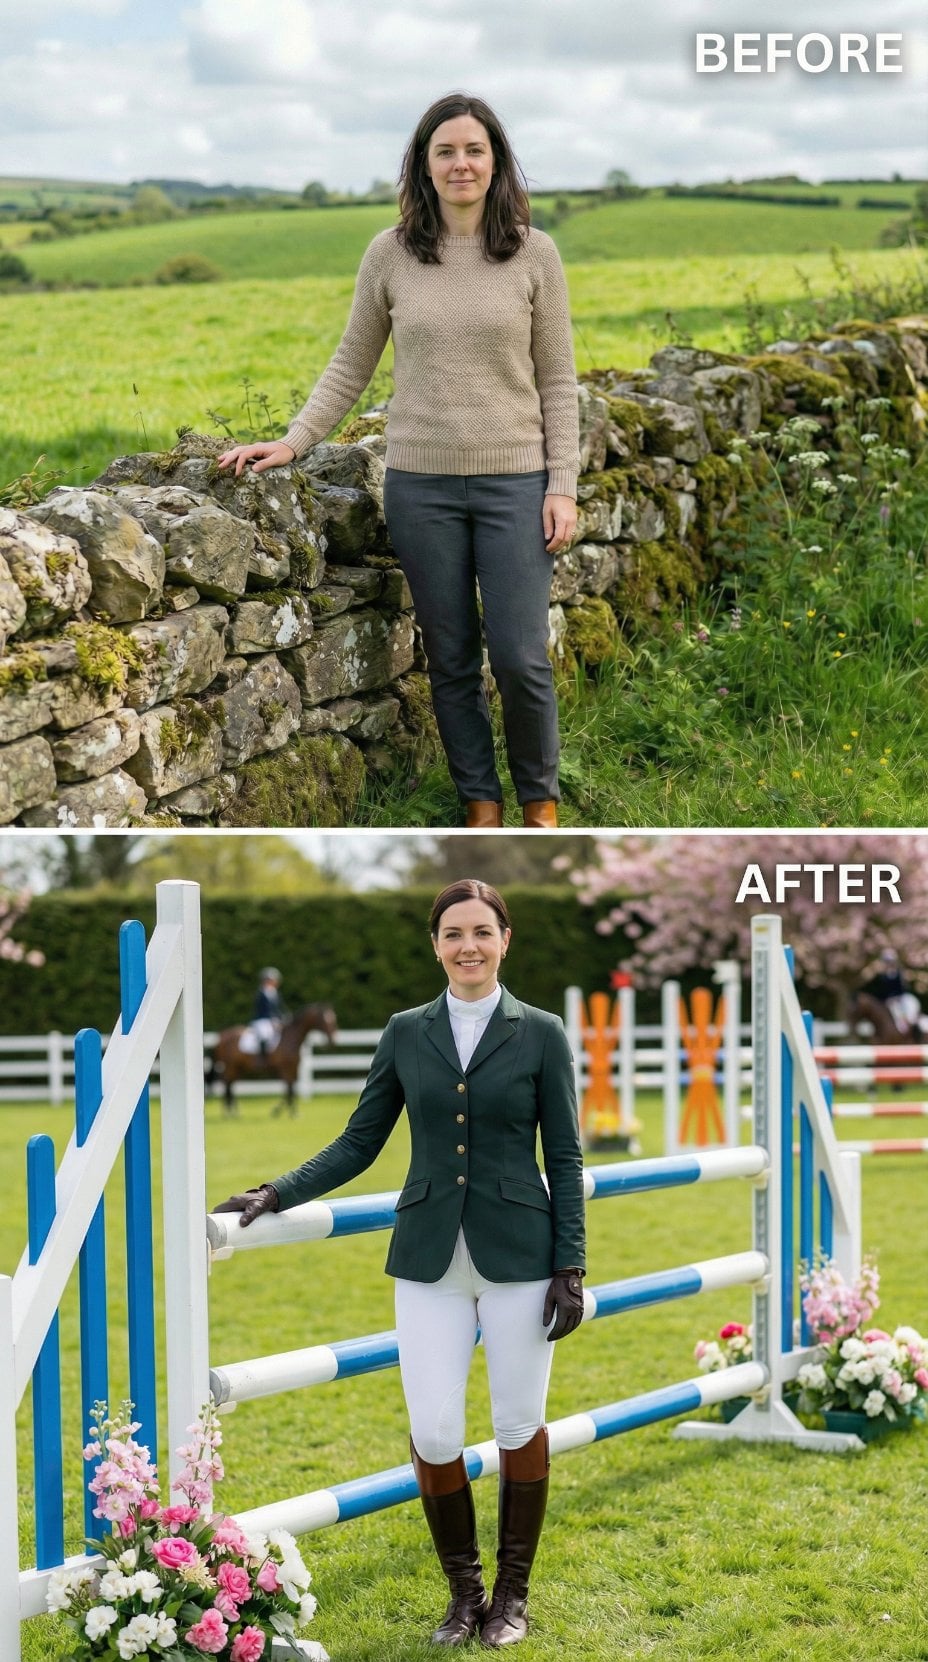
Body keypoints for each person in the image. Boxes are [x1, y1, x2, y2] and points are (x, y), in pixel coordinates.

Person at [214, 879, 586, 1648]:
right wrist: (278, 1190)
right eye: (454, 933)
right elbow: (360, 1140)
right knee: (436, 1428)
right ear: (436, 944)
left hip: (521, 1255)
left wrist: (570, 1266)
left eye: (482, 931)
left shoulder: (542, 1031)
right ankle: (463, 1593)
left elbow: (567, 1154)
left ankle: (511, 1598)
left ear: (505, 940)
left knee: (519, 1423)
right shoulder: (404, 1030)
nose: (468, 946)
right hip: (426, 1257)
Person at [216, 92, 581, 830]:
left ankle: (539, 805)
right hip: (421, 489)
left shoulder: (534, 254)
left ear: (497, 162)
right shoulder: (390, 254)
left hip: (517, 483)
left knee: (519, 657)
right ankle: (481, 807)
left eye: (474, 150)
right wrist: (293, 441)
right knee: (450, 659)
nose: (461, 163)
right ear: (423, 164)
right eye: (444, 151)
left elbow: (558, 379)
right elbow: (351, 363)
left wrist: (562, 486)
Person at [248, 966, 286, 1054]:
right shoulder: (260, 993)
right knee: (265, 1034)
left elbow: (280, 1008)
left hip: (275, 1020)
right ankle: (263, 1057)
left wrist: (284, 1017)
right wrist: (273, 1021)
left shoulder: (275, 993)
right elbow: (262, 1010)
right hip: (262, 1020)